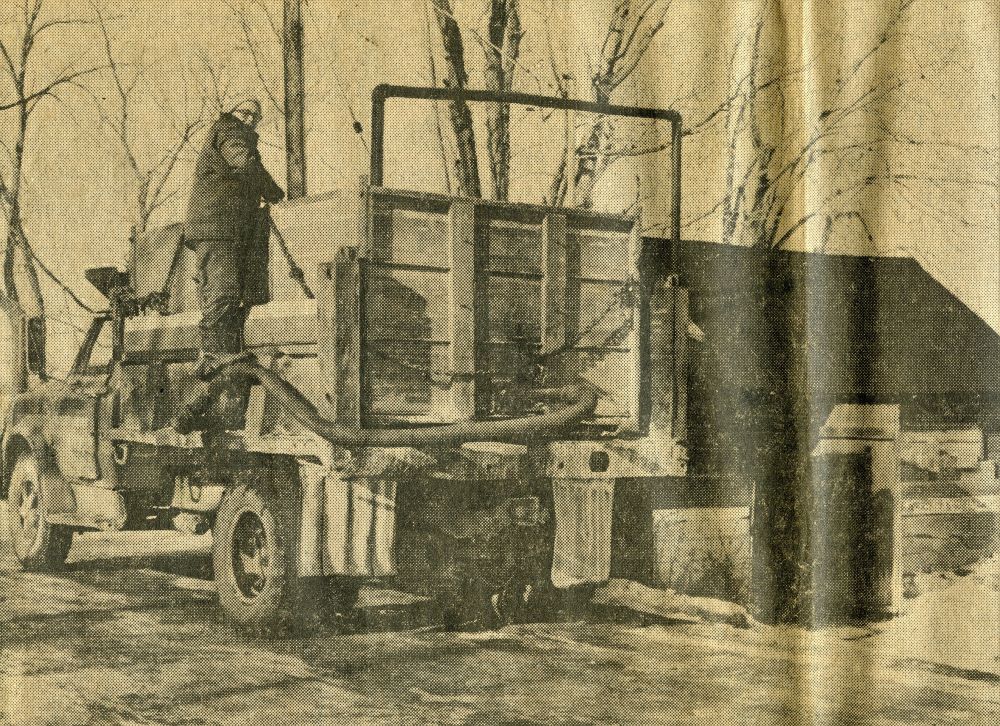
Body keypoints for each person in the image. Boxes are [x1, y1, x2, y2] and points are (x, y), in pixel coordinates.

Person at [174, 98, 284, 434]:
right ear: (233, 113)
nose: (249, 120)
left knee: (235, 299)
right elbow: (245, 164)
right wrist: (276, 193)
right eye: (245, 113)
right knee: (221, 295)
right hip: (217, 228)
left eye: (255, 116)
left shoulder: (234, 132)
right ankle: (213, 359)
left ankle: (221, 363)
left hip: (231, 229)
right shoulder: (230, 131)